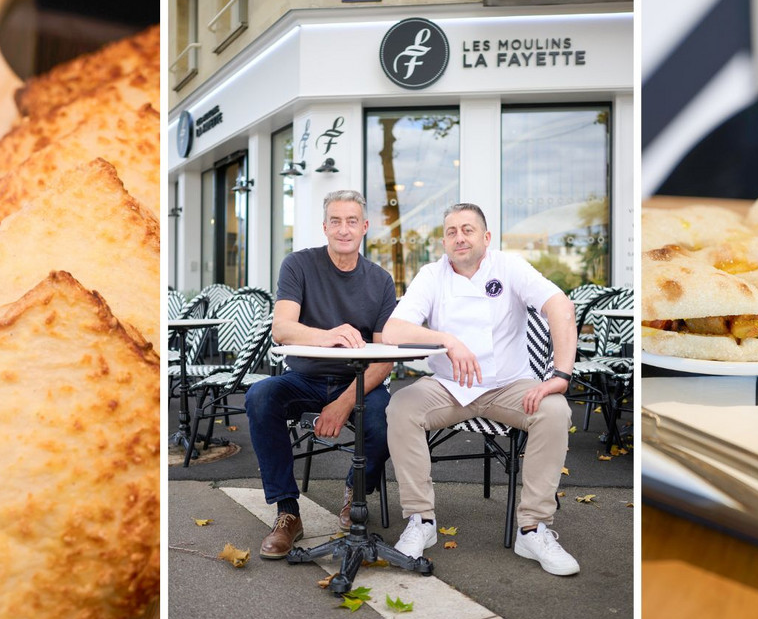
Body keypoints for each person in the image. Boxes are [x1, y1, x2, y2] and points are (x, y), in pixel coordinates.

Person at [382, 202, 581, 575]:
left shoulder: (509, 267)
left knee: (555, 412)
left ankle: (533, 528)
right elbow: (394, 331)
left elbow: (560, 306)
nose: (460, 237)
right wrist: (447, 340)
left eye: (468, 229)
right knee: (401, 407)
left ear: (486, 237)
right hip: (449, 387)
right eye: (452, 231)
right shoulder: (431, 275)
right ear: (443, 240)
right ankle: (421, 521)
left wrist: (561, 374)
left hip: (509, 386)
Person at [245, 189, 397, 559]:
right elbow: (282, 328)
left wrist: (344, 404)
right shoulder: (298, 265)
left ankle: (354, 494)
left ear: (365, 227)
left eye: (351, 221)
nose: (343, 229)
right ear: (324, 226)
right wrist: (328, 336)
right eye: (335, 221)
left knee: (388, 416)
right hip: (304, 378)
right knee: (260, 396)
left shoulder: (380, 281)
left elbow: (385, 358)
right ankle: (287, 512)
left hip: (357, 381)